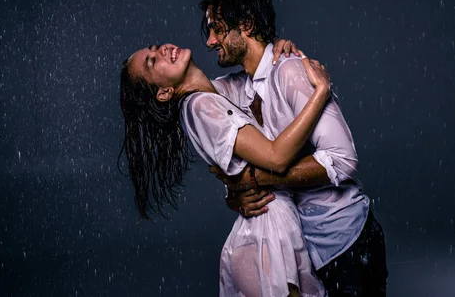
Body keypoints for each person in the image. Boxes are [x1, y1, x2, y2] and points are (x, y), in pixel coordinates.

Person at [201, 0, 389, 296]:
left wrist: (259, 178)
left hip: (347, 241)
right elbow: (223, 156)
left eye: (218, 29)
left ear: (245, 24)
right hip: (301, 249)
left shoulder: (290, 71)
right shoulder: (237, 89)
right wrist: (236, 194)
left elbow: (343, 160)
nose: (210, 41)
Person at [119, 42, 330, 296]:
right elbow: (276, 158)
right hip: (268, 231)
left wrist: (280, 48)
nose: (161, 50)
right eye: (152, 61)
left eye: (154, 48)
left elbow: (259, 71)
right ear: (163, 93)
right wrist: (321, 91)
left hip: (266, 228)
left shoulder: (215, 92)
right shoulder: (200, 107)